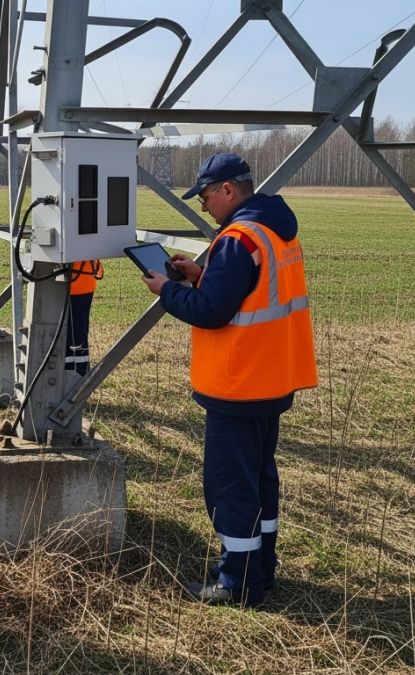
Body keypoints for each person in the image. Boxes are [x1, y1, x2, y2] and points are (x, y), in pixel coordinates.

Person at [141, 152, 317, 607]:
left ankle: (237, 584)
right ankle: (262, 570)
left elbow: (212, 312)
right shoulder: (272, 230)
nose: (202, 206)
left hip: (238, 383)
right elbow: (247, 293)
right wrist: (203, 275)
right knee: (259, 479)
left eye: (204, 196)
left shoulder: (239, 238)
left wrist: (169, 290)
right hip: (271, 380)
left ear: (227, 190)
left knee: (228, 488)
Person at [67, 259, 103, 375]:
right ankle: (78, 374)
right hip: (83, 280)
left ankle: (76, 375)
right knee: (76, 334)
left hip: (75, 283)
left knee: (73, 337)